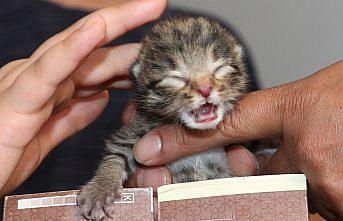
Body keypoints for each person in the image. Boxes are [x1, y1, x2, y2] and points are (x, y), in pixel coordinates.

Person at [0, 0, 341, 220]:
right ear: (140, 81)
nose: (205, 88)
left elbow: (290, 168)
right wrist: (106, 183)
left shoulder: (216, 33)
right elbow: (119, 155)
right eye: (176, 78)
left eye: (219, 71)